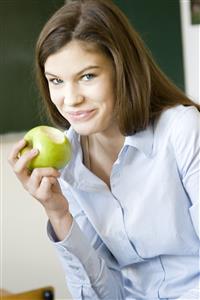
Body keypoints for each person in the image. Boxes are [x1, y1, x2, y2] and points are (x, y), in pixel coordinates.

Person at [8, 0, 200, 299]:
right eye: (56, 81)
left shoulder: (182, 129)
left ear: (122, 70)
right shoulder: (67, 163)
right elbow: (104, 294)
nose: (70, 99)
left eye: (87, 76)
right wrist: (58, 214)